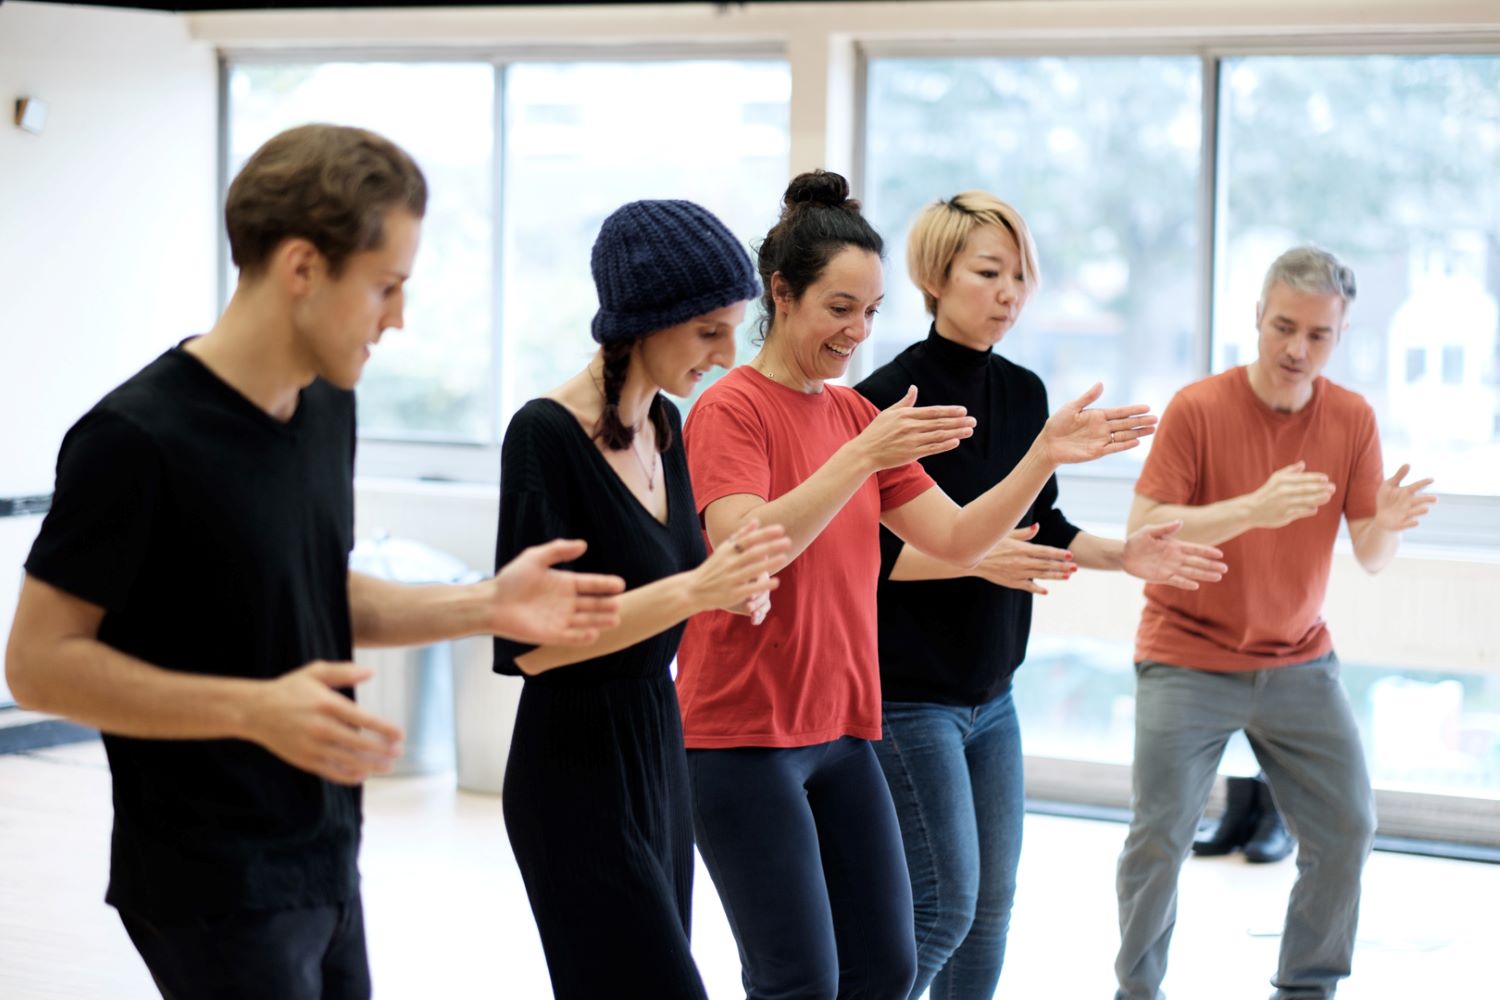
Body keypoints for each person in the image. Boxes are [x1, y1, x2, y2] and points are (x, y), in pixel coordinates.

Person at [2, 124, 627, 1000]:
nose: (399, 317)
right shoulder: (133, 439)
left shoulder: (328, 404)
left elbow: (307, 591)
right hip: (209, 880)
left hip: (326, 849)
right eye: (386, 286)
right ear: (302, 267)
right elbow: (37, 663)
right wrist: (254, 709)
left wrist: (485, 604)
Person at [675, 170, 1159, 999]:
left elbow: (959, 538)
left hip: (842, 726)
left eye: (869, 312)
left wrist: (1041, 455)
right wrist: (861, 457)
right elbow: (750, 544)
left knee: (890, 964)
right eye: (839, 310)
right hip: (744, 734)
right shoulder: (731, 410)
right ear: (781, 295)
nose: (857, 333)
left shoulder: (855, 418)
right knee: (799, 978)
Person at [853, 191, 1228, 1000]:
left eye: (1021, 276)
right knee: (941, 909)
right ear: (935, 275)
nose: (1009, 293)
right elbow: (870, 555)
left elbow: (1042, 522)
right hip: (910, 699)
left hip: (995, 696)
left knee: (990, 911)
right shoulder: (889, 398)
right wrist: (975, 561)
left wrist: (1124, 554)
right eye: (989, 272)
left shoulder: (1024, 394)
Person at [1113, 246, 1437, 1000]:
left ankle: (1305, 989)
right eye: (1284, 326)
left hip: (1298, 659)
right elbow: (1146, 529)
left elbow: (1372, 555)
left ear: (1341, 335)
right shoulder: (1199, 408)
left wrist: (1385, 522)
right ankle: (1137, 992)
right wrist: (1249, 511)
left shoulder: (1352, 417)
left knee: (1347, 829)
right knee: (1158, 840)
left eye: (1318, 335)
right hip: (1186, 655)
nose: (1297, 348)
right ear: (1258, 317)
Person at [493, 199, 789, 1000]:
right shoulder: (545, 435)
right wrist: (695, 588)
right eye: (708, 333)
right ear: (639, 322)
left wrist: (724, 594)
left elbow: (671, 591)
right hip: (573, 764)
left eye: (735, 329)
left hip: (659, 746)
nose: (729, 356)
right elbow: (533, 646)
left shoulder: (666, 426)